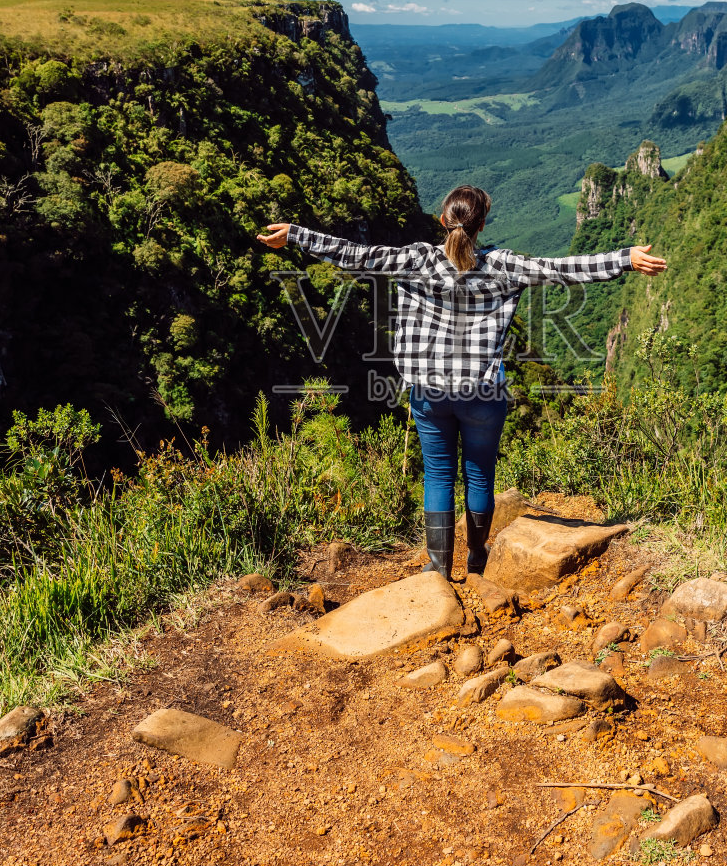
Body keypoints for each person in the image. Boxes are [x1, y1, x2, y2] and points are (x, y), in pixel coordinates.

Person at [257, 185, 666, 580]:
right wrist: (624, 259)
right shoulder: (502, 265)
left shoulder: (417, 259)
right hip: (482, 394)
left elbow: (356, 255)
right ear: (482, 225)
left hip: (430, 392)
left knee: (438, 475)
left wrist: (296, 235)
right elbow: (561, 270)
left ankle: (438, 567)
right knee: (480, 476)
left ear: (442, 221)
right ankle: (476, 557)